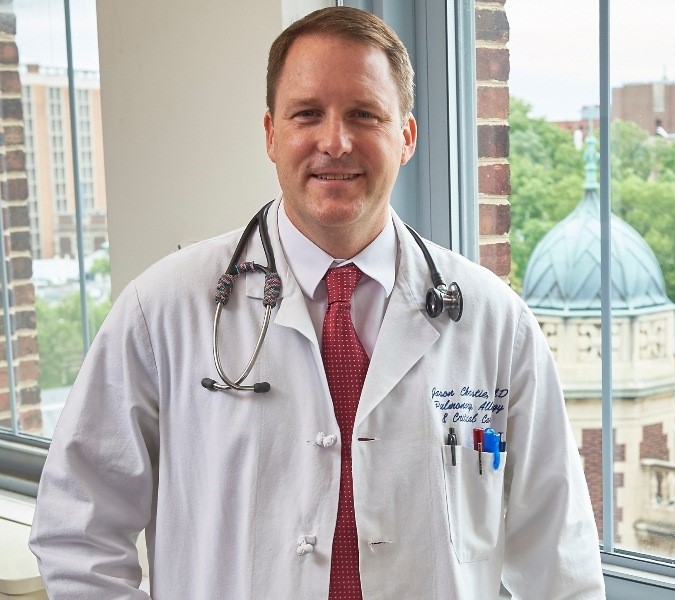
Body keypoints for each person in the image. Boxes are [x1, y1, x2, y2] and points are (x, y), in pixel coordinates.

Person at [30, 7, 605, 599]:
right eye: (308, 114)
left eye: (365, 114)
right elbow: (78, 526)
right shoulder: (163, 310)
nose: (335, 141)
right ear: (271, 134)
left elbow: (559, 560)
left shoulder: (494, 322)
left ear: (406, 135)